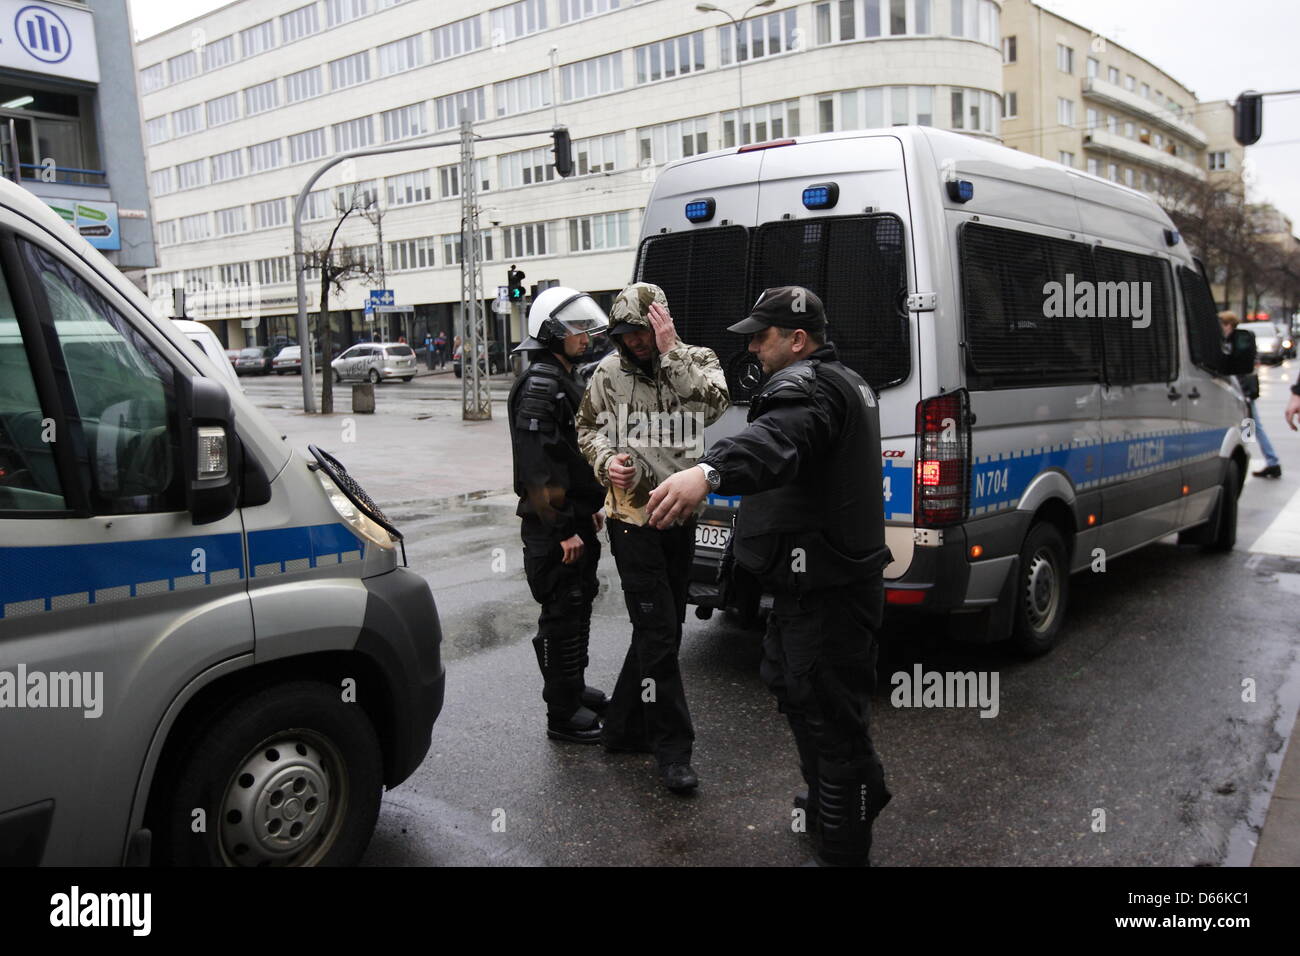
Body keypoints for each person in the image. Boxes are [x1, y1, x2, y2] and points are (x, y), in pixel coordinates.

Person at [647, 287, 892, 864]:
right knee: (797, 691)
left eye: (763, 336)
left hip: (827, 592)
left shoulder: (806, 389)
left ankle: (843, 841)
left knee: (831, 717)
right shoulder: (842, 379)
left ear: (798, 340)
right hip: (811, 585)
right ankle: (841, 799)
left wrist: (708, 472)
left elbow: (776, 443)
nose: (753, 347)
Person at [576, 283, 729, 793]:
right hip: (631, 521)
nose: (633, 342)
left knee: (660, 629)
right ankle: (673, 752)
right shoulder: (608, 373)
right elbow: (586, 428)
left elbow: (713, 406)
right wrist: (606, 461)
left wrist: (671, 354)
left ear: (659, 323)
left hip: (680, 517)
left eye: (641, 332)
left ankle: (621, 727)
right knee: (661, 633)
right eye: (624, 334)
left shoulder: (696, 359)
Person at [508, 287, 613, 742]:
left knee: (578, 608)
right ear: (550, 331)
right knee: (562, 614)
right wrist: (565, 526)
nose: (584, 335)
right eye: (573, 328)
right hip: (553, 529)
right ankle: (561, 714)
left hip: (571, 519)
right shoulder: (542, 384)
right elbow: (539, 465)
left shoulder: (560, 376)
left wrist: (587, 509)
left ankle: (572, 688)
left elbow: (571, 457)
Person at [1221, 311, 1282, 478]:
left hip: (1242, 391)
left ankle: (1271, 461)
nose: (1222, 328)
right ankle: (1268, 460)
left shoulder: (1236, 341)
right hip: (1243, 391)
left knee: (1252, 426)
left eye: (1224, 325)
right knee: (1249, 426)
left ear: (1230, 325)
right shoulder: (1239, 339)